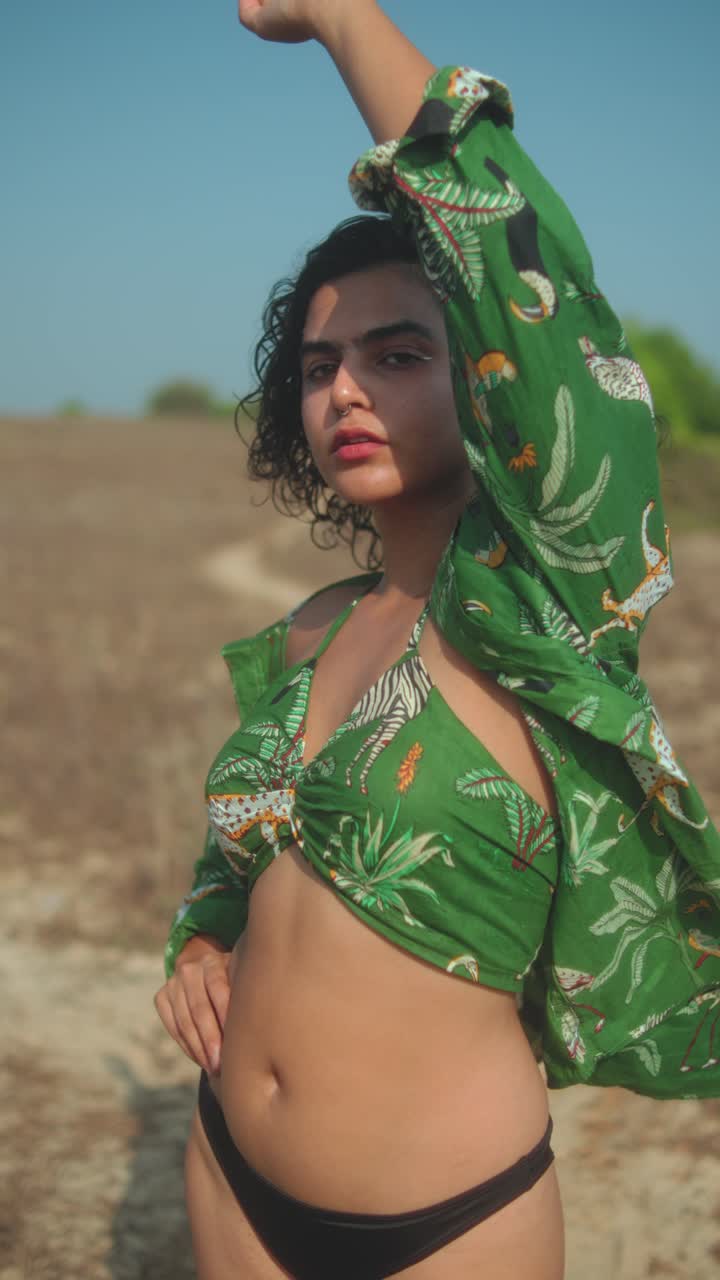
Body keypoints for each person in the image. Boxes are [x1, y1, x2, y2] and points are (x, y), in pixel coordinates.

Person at [154, 3, 720, 1278]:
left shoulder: (540, 605)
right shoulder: (312, 632)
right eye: (318, 364)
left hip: (443, 1224)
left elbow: (517, 263)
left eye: (399, 352)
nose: (343, 388)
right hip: (228, 1177)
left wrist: (338, 17)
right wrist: (199, 935)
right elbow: (241, 861)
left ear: (483, 373)